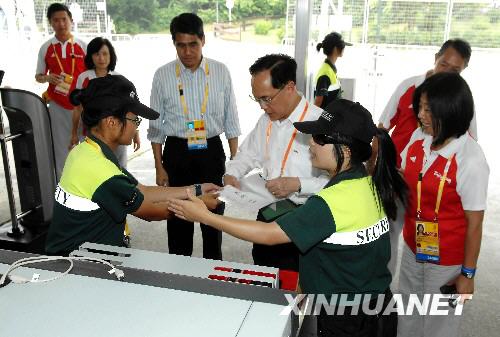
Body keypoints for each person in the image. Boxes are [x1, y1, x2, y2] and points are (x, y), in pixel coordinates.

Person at [168, 99, 408, 337]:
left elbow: (270, 234)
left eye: (319, 138)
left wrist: (205, 216)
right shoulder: (367, 183)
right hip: (377, 309)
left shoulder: (333, 201)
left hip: (345, 320)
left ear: (344, 150)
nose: (310, 144)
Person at [45, 75, 219, 256]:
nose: (136, 128)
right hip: (80, 267)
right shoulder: (100, 171)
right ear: (111, 122)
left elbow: (143, 191)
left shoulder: (88, 151)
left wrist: (195, 189)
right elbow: (150, 211)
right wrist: (199, 205)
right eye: (135, 120)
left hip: (85, 256)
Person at [398, 72, 489, 337]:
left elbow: (475, 223)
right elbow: (404, 175)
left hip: (447, 259)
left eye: (429, 109)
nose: (421, 115)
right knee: (408, 313)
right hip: (414, 247)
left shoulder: (470, 159)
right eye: (421, 107)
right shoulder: (419, 138)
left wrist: (468, 275)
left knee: (438, 325)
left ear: (450, 111)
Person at [377, 38, 477, 277]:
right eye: (444, 64)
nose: (447, 72)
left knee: (423, 241)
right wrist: (380, 169)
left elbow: (470, 143)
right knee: (387, 232)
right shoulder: (408, 87)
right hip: (399, 177)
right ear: (435, 58)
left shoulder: (460, 102)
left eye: (455, 70)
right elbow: (382, 127)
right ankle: (384, 288)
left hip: (434, 188)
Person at [224, 54, 330, 271]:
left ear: (290, 87)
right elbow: (247, 154)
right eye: (257, 99)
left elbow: (339, 182)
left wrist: (299, 184)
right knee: (265, 272)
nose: (262, 106)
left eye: (267, 98)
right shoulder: (267, 121)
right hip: (268, 211)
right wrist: (232, 174)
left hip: (305, 218)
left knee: (297, 284)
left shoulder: (321, 123)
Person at [148, 13, 241, 260]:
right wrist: (159, 166)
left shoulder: (220, 72)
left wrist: (235, 164)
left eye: (193, 44)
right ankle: (179, 271)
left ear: (203, 40)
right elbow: (155, 126)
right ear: (174, 44)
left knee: (213, 216)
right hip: (177, 151)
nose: (187, 51)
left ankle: (214, 271)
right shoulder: (162, 75)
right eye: (181, 45)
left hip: (211, 150)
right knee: (178, 216)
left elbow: (231, 119)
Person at [69, 37, 140, 168]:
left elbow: (130, 109)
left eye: (105, 54)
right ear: (90, 56)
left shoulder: (119, 79)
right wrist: (73, 133)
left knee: (119, 169)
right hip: (90, 134)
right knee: (93, 169)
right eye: (97, 54)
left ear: (111, 56)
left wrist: (135, 132)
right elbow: (77, 109)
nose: (101, 58)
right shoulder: (83, 78)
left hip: (117, 134)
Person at [35, 3, 87, 180]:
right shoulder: (46, 48)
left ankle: (88, 190)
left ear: (71, 20)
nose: (61, 24)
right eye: (56, 20)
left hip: (83, 106)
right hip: (58, 106)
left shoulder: (83, 46)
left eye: (64, 19)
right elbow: (38, 76)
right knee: (61, 149)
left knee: (86, 147)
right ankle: (64, 193)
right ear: (50, 23)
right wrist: (48, 78)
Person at [314, 32, 351, 109]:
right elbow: (317, 103)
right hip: (326, 119)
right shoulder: (325, 73)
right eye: (342, 46)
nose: (344, 48)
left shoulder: (330, 69)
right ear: (335, 49)